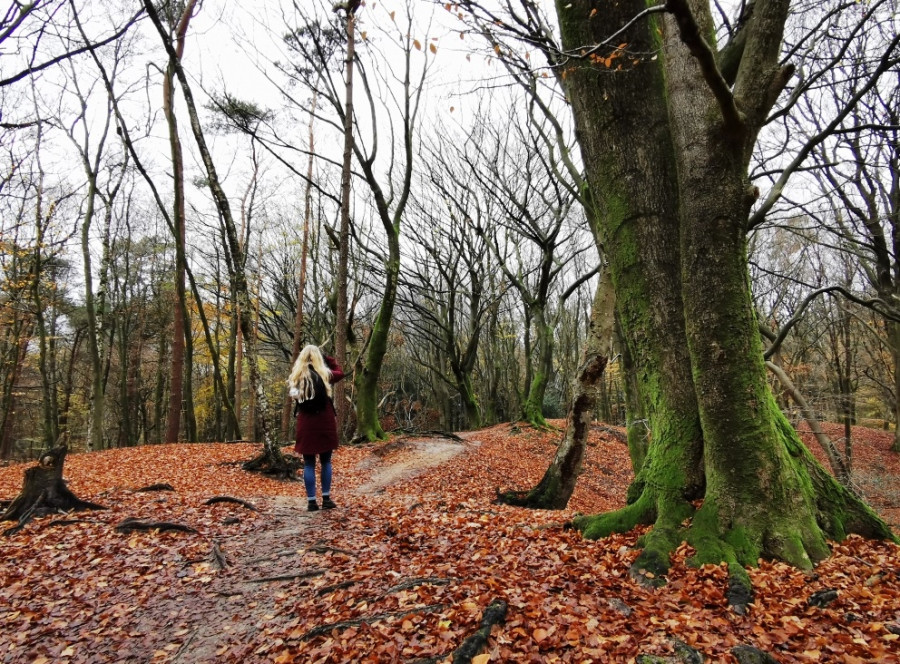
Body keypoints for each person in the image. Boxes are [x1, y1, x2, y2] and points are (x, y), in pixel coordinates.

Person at [287, 344, 345, 511]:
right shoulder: (325, 374)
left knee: (309, 463)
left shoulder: (296, 377)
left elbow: (294, 397)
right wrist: (328, 359)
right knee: (326, 461)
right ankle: (326, 499)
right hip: (324, 422)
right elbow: (340, 373)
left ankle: (312, 501)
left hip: (306, 423)